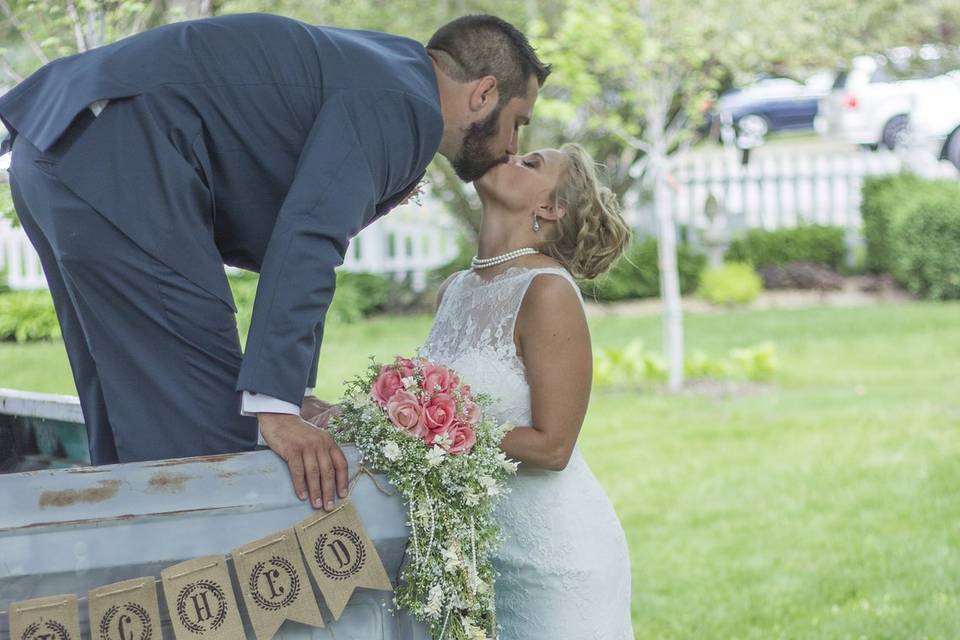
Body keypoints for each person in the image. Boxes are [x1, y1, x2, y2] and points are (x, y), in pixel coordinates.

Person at [0, 13, 550, 512]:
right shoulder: (407, 107)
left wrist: (296, 391)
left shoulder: (387, 72)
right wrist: (277, 407)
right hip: (120, 160)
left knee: (129, 417)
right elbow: (310, 237)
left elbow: (296, 239)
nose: (511, 146)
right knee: (208, 447)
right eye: (518, 121)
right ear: (483, 94)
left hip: (59, 147)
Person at [419, 144, 634, 638]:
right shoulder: (454, 289)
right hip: (476, 555)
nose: (509, 155)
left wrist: (431, 427)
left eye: (530, 163)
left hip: (555, 562)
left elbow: (553, 446)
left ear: (550, 208)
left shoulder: (547, 291)